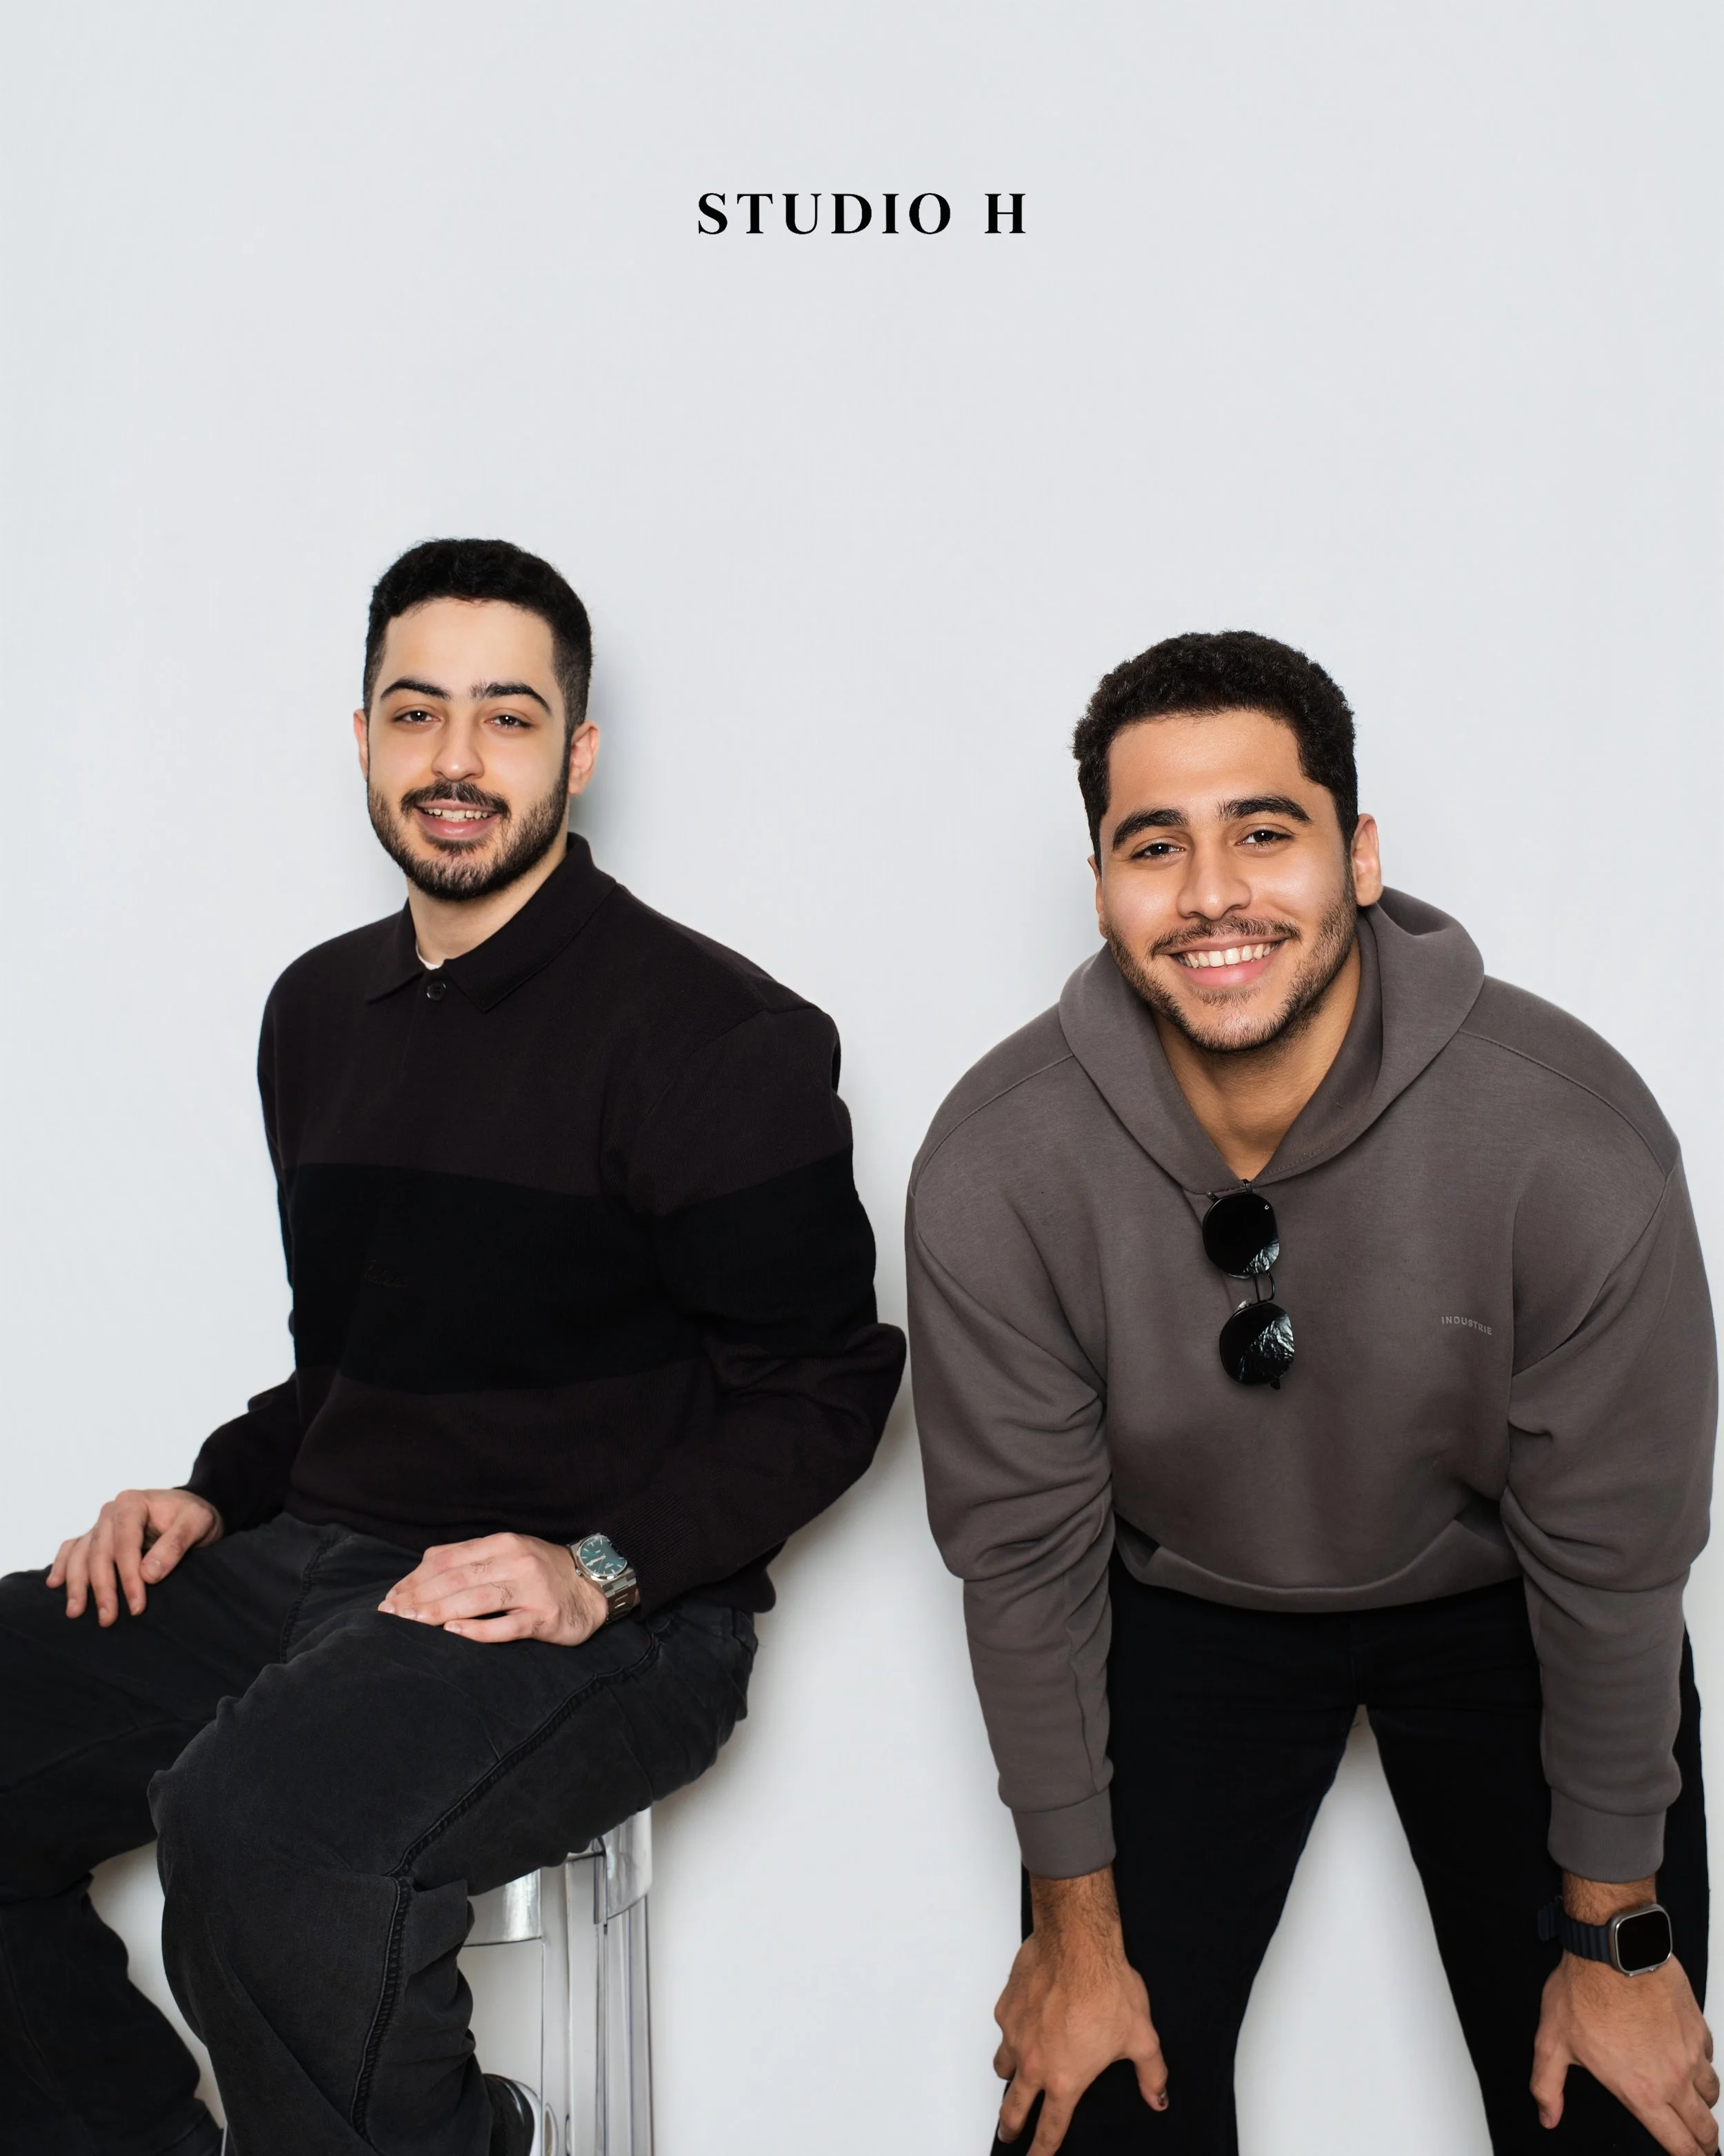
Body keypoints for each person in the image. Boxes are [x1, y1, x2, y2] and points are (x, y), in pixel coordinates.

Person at [0, 538, 905, 2156]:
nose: (458, 761)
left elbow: (827, 1389)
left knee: (261, 1830)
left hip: (608, 1609)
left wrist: (602, 1571)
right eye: (418, 714)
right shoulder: (316, 1012)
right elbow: (354, 1354)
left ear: (578, 750)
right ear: (362, 739)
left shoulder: (712, 1036)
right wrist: (216, 1493)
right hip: (317, 1558)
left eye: (506, 716)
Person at [907, 631, 1718, 2156]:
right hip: (1182, 1609)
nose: (1210, 893)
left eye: (1261, 832)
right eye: (1154, 846)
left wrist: (1618, 1943)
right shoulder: (995, 1165)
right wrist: (1072, 1937)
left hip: (1507, 1606)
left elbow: (1618, 1569)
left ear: (1353, 855)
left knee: (1618, 2115)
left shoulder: (1567, 1141)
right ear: (1096, 887)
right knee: (1081, 2114)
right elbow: (1018, 1567)